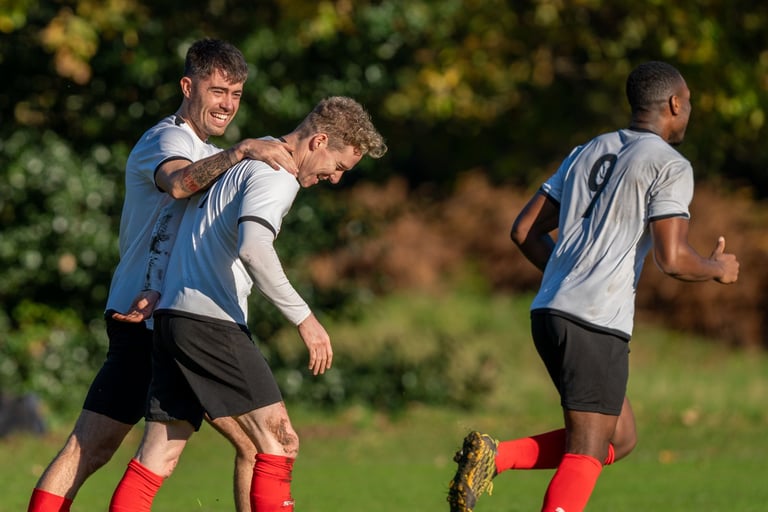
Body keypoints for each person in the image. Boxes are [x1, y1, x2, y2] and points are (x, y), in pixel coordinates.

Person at [447, 61, 740, 512]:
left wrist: (567, 278)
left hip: (548, 312)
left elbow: (524, 230)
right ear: (675, 104)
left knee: (619, 438)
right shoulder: (669, 164)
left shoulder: (588, 149)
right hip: (594, 320)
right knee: (585, 450)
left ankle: (496, 455)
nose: (690, 111)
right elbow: (674, 259)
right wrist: (717, 268)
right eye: (690, 103)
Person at [28, 38, 299, 512]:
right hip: (144, 319)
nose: (227, 105)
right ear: (187, 86)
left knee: (241, 448)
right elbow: (177, 183)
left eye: (236, 94)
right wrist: (239, 153)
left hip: (163, 312)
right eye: (217, 91)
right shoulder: (167, 139)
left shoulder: (201, 146)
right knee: (93, 448)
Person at [106, 96, 386, 511]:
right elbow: (255, 248)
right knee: (280, 441)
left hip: (172, 318)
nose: (336, 178)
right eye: (339, 166)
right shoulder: (278, 172)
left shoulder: (243, 160)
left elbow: (177, 215)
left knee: (158, 456)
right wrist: (304, 318)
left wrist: (156, 284)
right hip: (208, 321)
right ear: (319, 141)